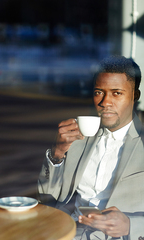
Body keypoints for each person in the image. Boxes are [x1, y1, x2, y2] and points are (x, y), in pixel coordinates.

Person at [38, 55, 144, 240]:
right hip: (70, 231)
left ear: (135, 96)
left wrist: (130, 225)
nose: (105, 102)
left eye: (116, 93)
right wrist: (57, 154)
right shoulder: (78, 134)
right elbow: (48, 195)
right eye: (98, 92)